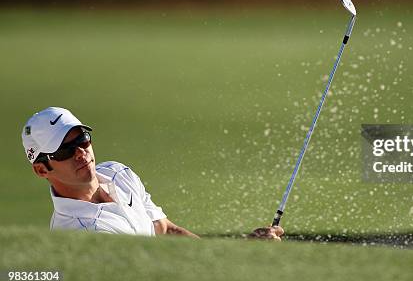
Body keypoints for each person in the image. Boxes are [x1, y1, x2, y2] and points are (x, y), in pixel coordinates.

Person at [22, 107, 283, 240]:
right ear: (41, 169)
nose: (81, 152)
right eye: (65, 150)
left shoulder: (117, 173)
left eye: (83, 139)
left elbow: (165, 231)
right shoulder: (79, 234)